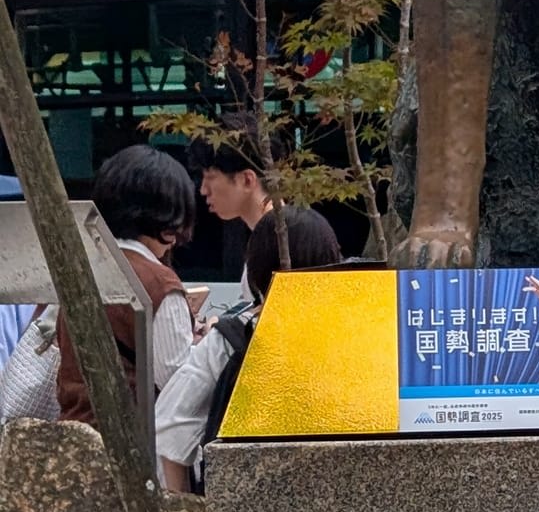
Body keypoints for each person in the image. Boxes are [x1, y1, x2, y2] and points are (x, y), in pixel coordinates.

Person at [155, 206, 342, 491]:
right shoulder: (348, 337)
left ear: (255, 267)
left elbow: (170, 424)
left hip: (244, 505)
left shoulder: (230, 340)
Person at [56, 143, 197, 422]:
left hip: (73, 443)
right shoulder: (160, 283)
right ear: (169, 220)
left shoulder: (80, 274)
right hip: (133, 447)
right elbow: (177, 382)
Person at [186, 128, 280, 288]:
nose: (203, 190)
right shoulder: (264, 236)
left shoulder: (286, 237)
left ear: (247, 180)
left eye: (210, 177)